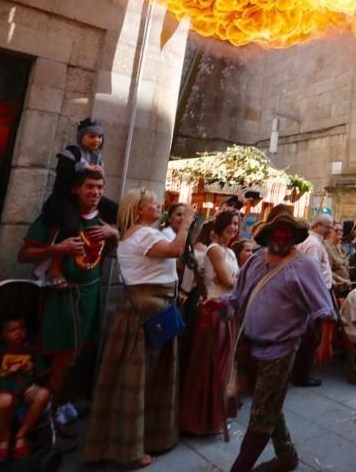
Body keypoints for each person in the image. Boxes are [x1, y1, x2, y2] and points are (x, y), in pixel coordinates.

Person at [83, 188, 193, 468]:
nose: (159, 207)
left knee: (138, 380)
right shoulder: (143, 234)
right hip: (147, 315)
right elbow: (176, 250)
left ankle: (134, 441)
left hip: (145, 313)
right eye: (153, 204)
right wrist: (188, 224)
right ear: (139, 210)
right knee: (139, 381)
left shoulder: (132, 233)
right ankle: (130, 450)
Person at [222, 205, 336, 472]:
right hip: (248, 345)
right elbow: (237, 298)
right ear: (269, 234)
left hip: (280, 351)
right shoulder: (254, 260)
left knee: (261, 413)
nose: (283, 237)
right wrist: (218, 306)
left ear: (295, 236)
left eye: (288, 234)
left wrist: (325, 342)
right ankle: (287, 457)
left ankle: (240, 468)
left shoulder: (304, 265)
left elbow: (324, 309)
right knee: (269, 404)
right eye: (279, 232)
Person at [18, 168, 118, 436]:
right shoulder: (56, 219)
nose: (95, 192)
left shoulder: (106, 221)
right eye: (89, 187)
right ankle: (45, 417)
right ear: (76, 189)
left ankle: (57, 406)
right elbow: (24, 254)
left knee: (76, 356)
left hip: (90, 293)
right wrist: (57, 250)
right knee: (59, 358)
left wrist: (114, 234)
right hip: (62, 296)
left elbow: (122, 251)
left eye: (100, 187)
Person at [180, 212, 240, 435]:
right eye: (230, 224)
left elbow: (233, 281)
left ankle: (216, 416)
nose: (233, 228)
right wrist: (235, 281)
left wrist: (234, 281)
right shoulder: (214, 249)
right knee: (211, 366)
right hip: (214, 312)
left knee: (224, 367)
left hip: (227, 309)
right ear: (221, 225)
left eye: (236, 224)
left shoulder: (230, 252)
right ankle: (201, 419)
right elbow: (228, 281)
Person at [40, 118, 117, 288]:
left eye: (99, 137)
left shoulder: (98, 157)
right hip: (66, 197)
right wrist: (84, 168)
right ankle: (54, 267)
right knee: (70, 225)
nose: (96, 140)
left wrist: (99, 174)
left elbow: (99, 181)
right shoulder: (72, 152)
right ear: (82, 137)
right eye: (92, 136)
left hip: (86, 195)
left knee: (115, 210)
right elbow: (63, 175)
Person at [0, 317, 51, 462]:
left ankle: (21, 435)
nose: (19, 333)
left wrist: (32, 367)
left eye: (22, 329)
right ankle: (3, 439)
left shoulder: (29, 347)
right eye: (13, 330)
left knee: (43, 394)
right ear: (0, 335)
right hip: (2, 388)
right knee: (6, 400)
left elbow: (40, 373)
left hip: (26, 387)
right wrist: (6, 372)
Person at [290, 213, 335, 387]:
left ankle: (301, 371)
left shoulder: (315, 242)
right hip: (313, 296)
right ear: (317, 226)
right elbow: (312, 271)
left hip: (315, 293)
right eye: (328, 226)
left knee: (310, 335)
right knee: (309, 336)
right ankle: (301, 374)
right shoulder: (313, 244)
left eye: (331, 226)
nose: (330, 230)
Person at [325, 221, 352, 295]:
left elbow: (344, 265)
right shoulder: (327, 247)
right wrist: (342, 280)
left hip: (345, 286)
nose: (339, 232)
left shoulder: (340, 246)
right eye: (336, 230)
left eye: (341, 230)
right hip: (335, 288)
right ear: (330, 232)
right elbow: (327, 270)